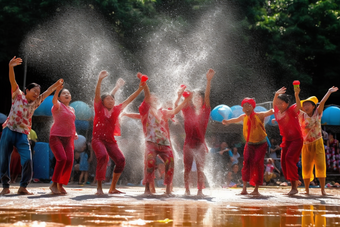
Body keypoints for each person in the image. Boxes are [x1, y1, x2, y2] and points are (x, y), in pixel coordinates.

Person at [0, 56, 63, 195]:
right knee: (4, 159)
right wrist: (11, 67)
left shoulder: (35, 103)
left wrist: (56, 85)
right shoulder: (17, 95)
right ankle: (5, 186)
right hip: (9, 130)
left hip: (23, 134)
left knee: (28, 159)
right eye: (34, 91)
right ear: (27, 90)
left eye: (38, 92)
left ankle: (23, 186)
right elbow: (12, 80)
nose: (36, 94)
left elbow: (47, 92)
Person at [92, 71, 145, 195]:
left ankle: (112, 187)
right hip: (97, 139)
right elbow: (97, 94)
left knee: (121, 160)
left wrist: (139, 89)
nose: (111, 100)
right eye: (108, 99)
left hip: (110, 140)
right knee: (103, 156)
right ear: (102, 102)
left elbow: (129, 99)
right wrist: (99, 80)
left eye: (112, 99)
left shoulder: (116, 109)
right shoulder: (99, 108)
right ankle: (99, 187)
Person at [139, 75, 192, 196]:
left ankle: (168, 190)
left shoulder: (162, 111)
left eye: (156, 99)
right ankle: (147, 189)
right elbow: (147, 95)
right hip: (151, 142)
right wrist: (145, 84)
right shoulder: (145, 110)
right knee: (150, 162)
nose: (155, 99)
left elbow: (174, 111)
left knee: (171, 162)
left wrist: (185, 101)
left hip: (164, 143)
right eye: (152, 98)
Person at [222, 98, 273, 196]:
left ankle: (256, 189)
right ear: (242, 109)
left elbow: (270, 112)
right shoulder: (243, 117)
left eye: (248, 105)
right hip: (249, 144)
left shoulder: (259, 115)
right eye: (244, 106)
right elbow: (236, 120)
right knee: (246, 164)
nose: (246, 107)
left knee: (258, 163)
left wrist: (275, 106)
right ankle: (244, 188)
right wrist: (227, 121)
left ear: (253, 107)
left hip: (261, 144)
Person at [177, 69, 215, 197]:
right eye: (195, 97)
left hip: (199, 144)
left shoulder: (206, 111)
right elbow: (183, 102)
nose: (197, 99)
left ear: (202, 100)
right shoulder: (187, 110)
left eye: (200, 97)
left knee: (200, 168)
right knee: (187, 168)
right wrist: (182, 94)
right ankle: (187, 190)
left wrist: (208, 81)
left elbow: (208, 96)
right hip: (188, 142)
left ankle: (200, 191)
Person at [296, 86, 338, 195]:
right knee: (306, 167)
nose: (305, 106)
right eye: (304, 104)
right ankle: (306, 190)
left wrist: (329, 91)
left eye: (308, 104)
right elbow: (298, 105)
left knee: (320, 165)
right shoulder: (301, 115)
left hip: (318, 142)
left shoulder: (317, 114)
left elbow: (322, 102)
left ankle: (323, 191)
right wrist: (296, 94)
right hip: (306, 144)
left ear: (313, 106)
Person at [273, 87, 303, 195]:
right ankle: (295, 180)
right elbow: (273, 105)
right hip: (286, 140)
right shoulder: (277, 113)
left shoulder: (291, 111)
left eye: (281, 103)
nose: (279, 105)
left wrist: (296, 94)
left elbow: (299, 106)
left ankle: (294, 188)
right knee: (283, 162)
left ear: (286, 104)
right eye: (278, 103)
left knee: (290, 158)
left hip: (296, 139)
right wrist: (276, 94)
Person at [49, 85, 78, 194]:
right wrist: (57, 90)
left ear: (70, 98)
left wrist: (75, 132)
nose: (67, 94)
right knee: (62, 158)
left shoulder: (72, 109)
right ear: (60, 98)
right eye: (64, 93)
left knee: (69, 161)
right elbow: (54, 100)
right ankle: (54, 184)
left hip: (68, 138)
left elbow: (71, 123)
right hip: (56, 136)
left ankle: (60, 185)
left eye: (68, 93)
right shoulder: (58, 105)